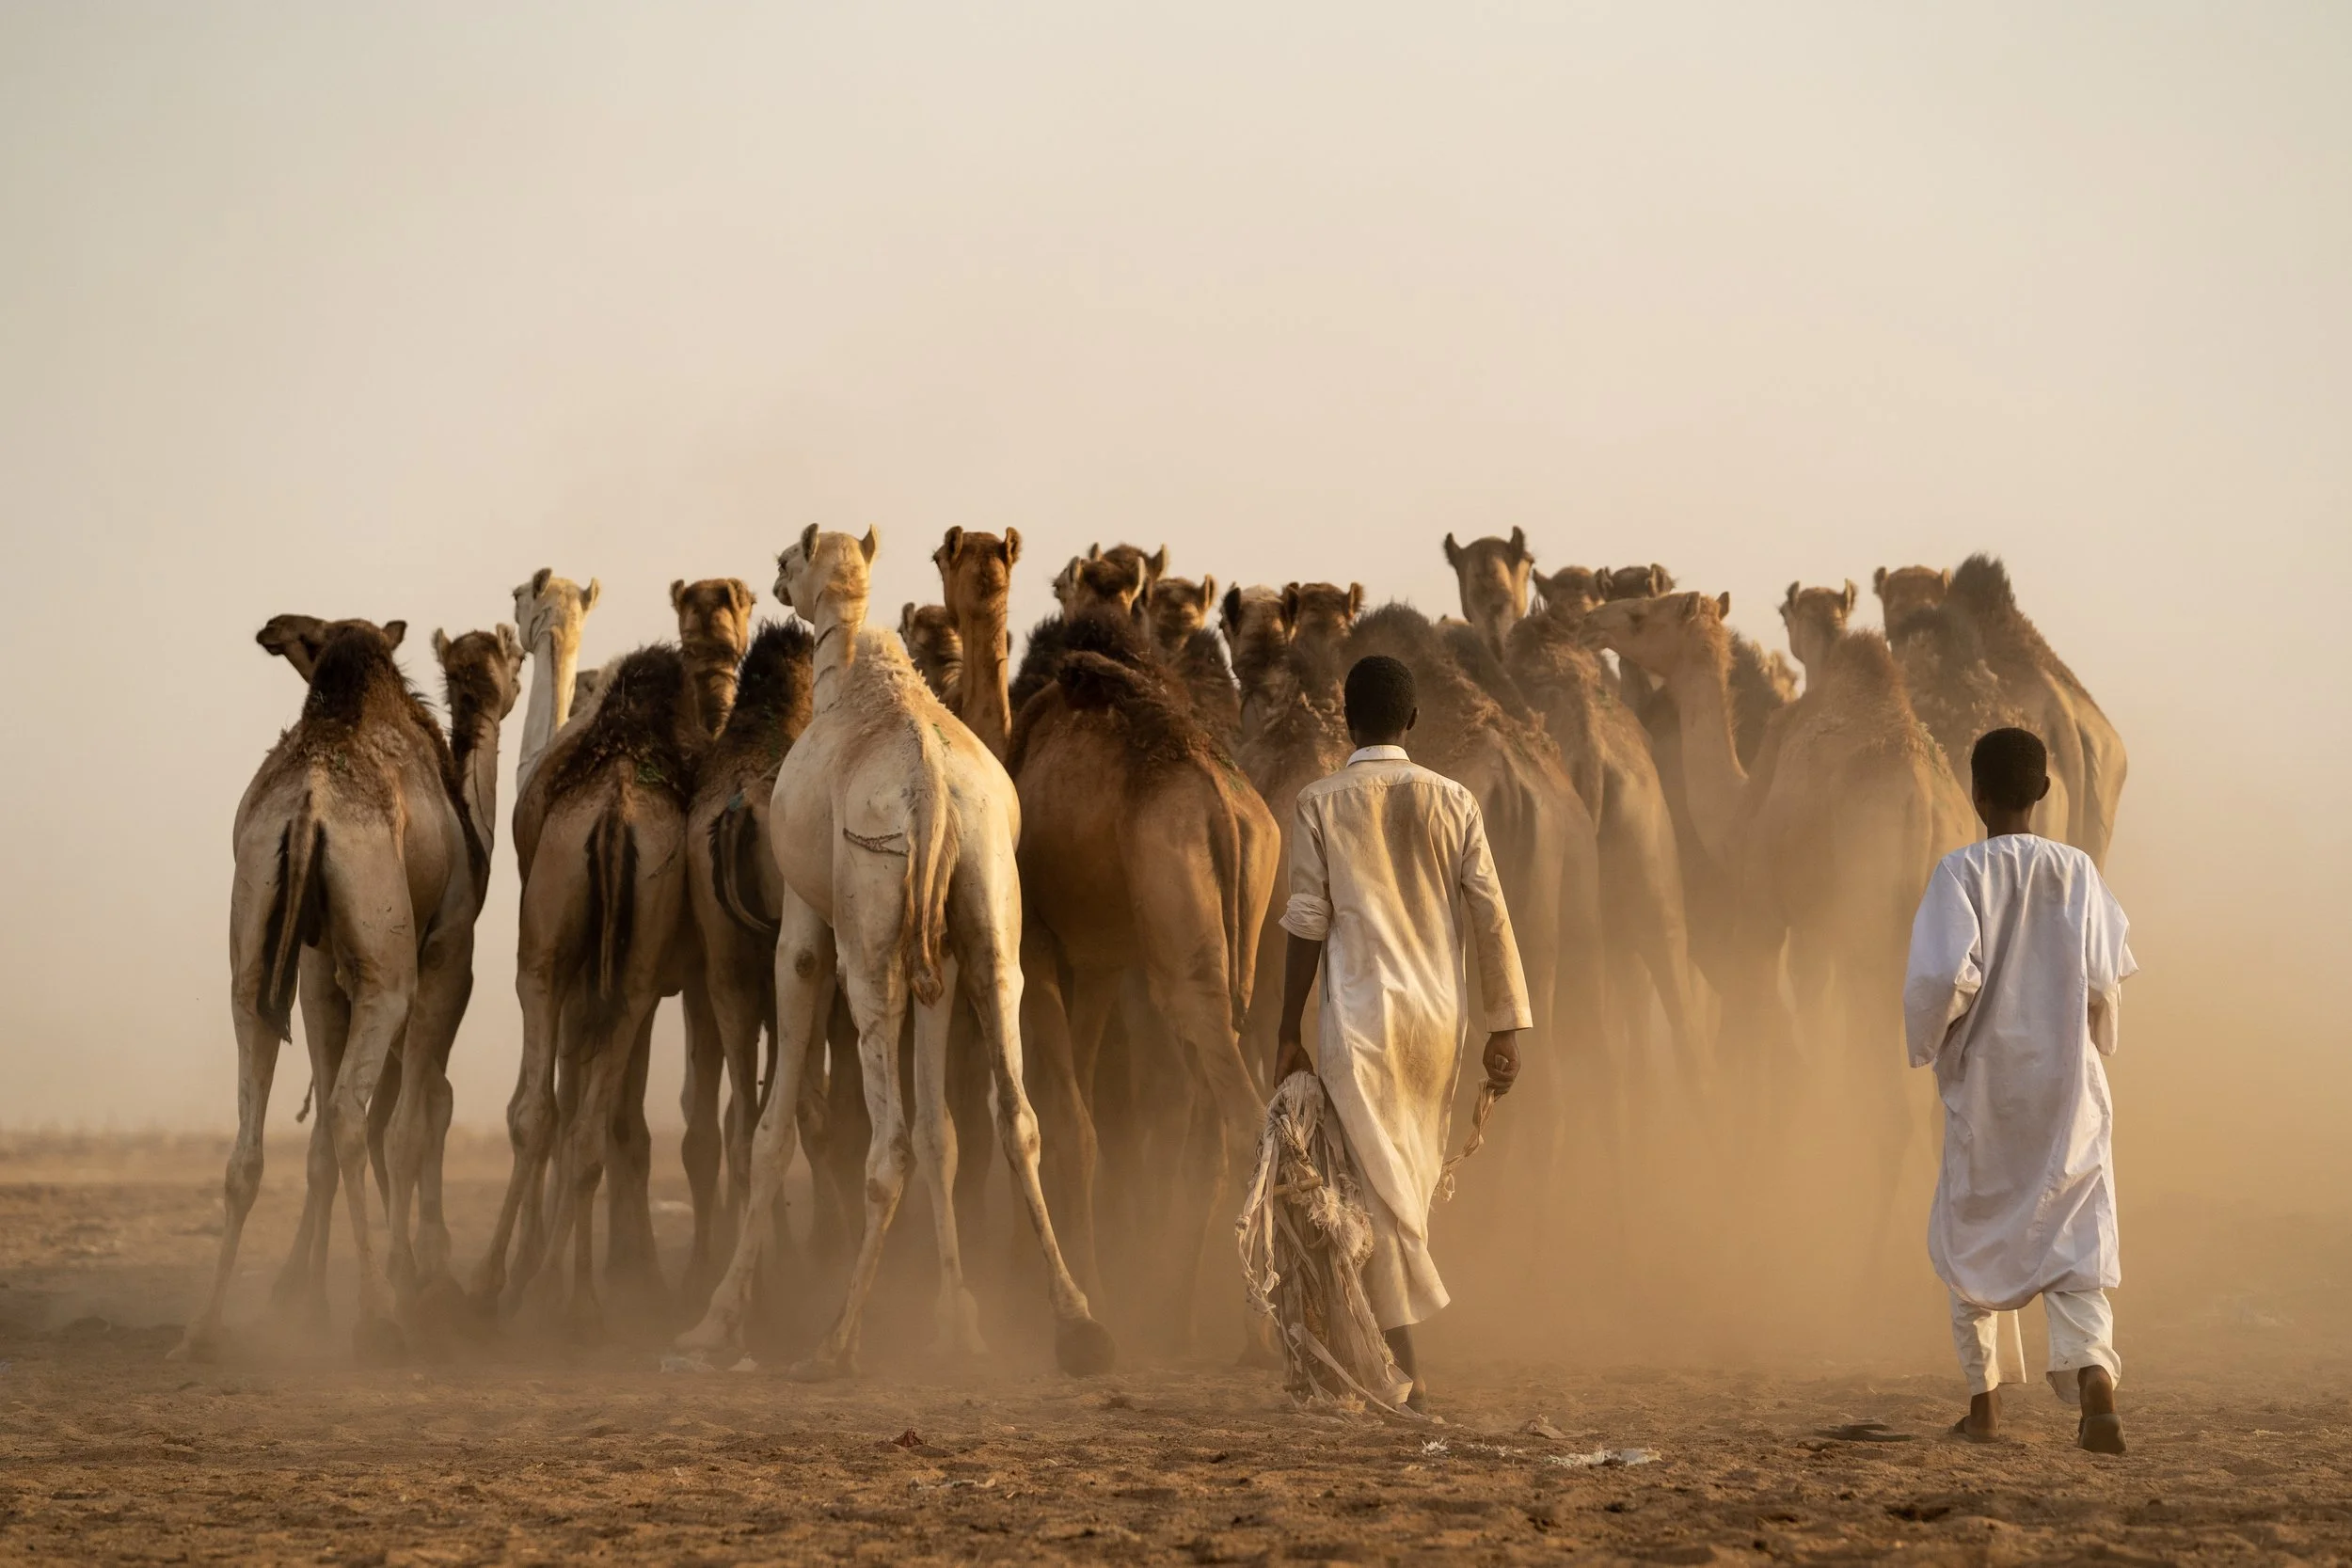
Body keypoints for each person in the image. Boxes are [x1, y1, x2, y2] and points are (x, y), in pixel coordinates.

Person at [1272, 653, 1532, 1414]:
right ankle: (1386, 1359)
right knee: (1398, 1189)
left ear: (1344, 719)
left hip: (1360, 1023)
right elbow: (1490, 912)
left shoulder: (1319, 801)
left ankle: (1406, 1375)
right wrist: (1505, 1024)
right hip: (1437, 1027)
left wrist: (1286, 1028)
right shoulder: (1455, 800)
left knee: (1381, 1200)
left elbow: (1308, 921)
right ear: (1412, 722)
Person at [1904, 726, 2137, 1454]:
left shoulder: (1958, 873)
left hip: (1988, 1088)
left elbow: (1943, 978)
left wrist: (1932, 1042)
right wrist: (2095, 1035)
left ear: (1975, 794)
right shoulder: (2079, 873)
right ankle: (2094, 1375)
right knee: (2074, 1236)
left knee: (1971, 1233)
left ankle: (1985, 1404)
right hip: (2069, 1088)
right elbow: (2106, 979)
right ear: (2043, 793)